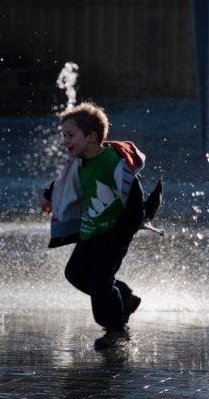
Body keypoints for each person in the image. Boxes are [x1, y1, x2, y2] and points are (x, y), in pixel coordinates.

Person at [41, 102, 163, 350]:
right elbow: (64, 181)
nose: (65, 140)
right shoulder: (79, 161)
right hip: (92, 230)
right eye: (64, 135)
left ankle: (117, 330)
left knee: (99, 282)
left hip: (114, 233)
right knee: (75, 274)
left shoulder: (113, 161)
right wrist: (48, 195)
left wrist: (120, 237)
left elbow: (134, 201)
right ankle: (124, 297)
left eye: (70, 135)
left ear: (92, 136)